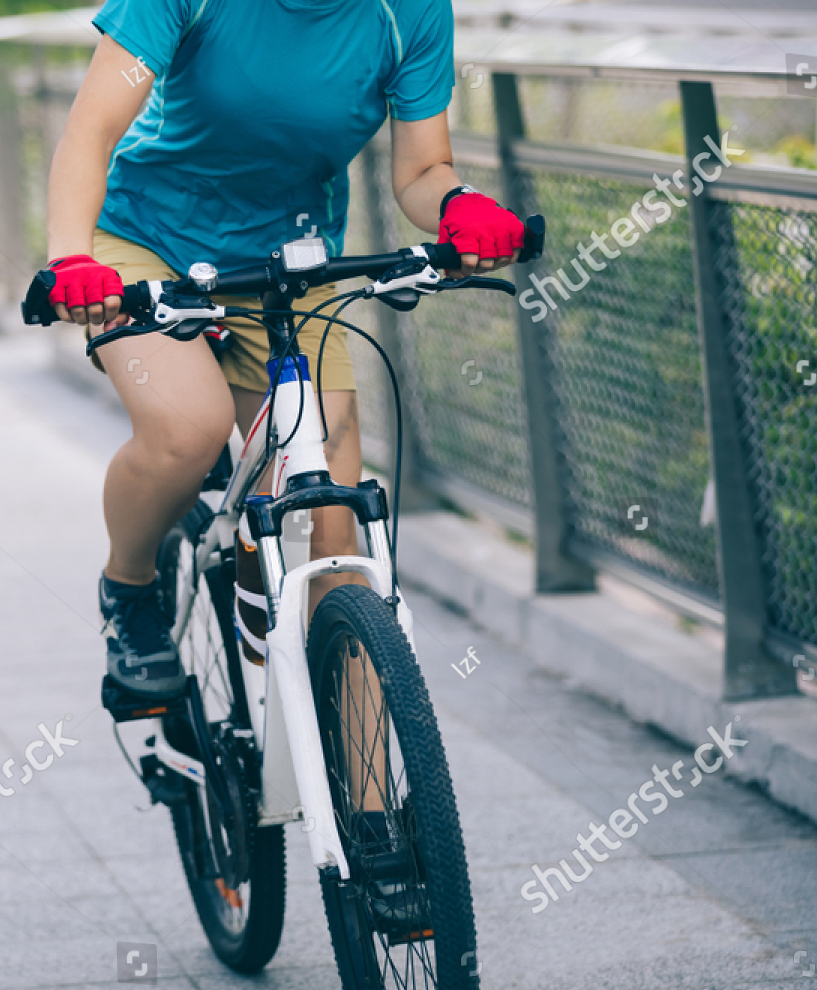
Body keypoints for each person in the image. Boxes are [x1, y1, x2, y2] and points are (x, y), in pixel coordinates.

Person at [45, 0, 526, 699]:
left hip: (287, 261)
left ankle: (363, 809)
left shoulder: (410, 11)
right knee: (187, 429)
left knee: (331, 535)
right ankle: (130, 586)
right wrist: (68, 262)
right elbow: (92, 133)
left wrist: (461, 205)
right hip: (145, 242)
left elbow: (423, 170)